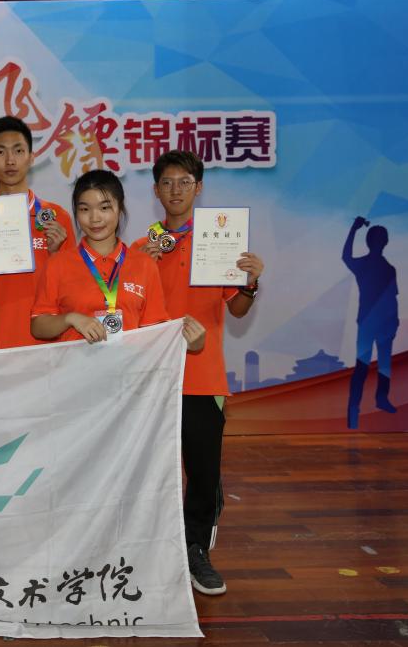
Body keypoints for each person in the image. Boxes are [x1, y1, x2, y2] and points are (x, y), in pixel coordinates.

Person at [132, 149, 264, 597]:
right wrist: (140, 264)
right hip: (151, 377)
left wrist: (250, 282)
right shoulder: (141, 248)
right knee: (149, 469)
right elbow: (123, 310)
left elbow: (238, 310)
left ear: (199, 187)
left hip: (203, 377)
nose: (175, 190)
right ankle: (150, 550)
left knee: (203, 473)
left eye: (184, 182)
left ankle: (196, 551)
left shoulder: (218, 242)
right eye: (167, 182)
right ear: (155, 191)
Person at [31, 169, 205, 349]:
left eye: (104, 208)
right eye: (84, 209)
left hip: (130, 366)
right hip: (74, 366)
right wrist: (70, 318)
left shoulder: (144, 264)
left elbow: (155, 332)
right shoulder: (58, 263)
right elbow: (38, 326)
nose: (94, 218)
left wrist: (190, 341)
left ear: (119, 208)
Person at [0, 116, 75, 348]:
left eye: (18, 151)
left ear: (32, 157)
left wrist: (56, 255)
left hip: (48, 344)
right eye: (0, 152)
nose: (10, 160)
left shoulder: (57, 218)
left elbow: (73, 288)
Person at [342, 216, 398, 429]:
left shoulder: (388, 268)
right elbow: (346, 256)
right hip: (369, 323)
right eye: (378, 239)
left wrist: (395, 320)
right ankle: (354, 410)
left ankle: (379, 399)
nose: (380, 242)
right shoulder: (368, 265)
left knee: (381, 364)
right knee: (364, 366)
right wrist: (353, 229)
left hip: (382, 323)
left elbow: (392, 297)